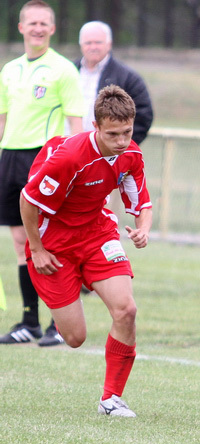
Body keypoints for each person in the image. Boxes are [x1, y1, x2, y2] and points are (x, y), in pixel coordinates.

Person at [20, 84, 152, 417]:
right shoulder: (70, 158)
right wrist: (36, 249)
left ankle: (111, 399)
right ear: (96, 127)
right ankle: (76, 280)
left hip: (98, 233)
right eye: (112, 134)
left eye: (126, 132)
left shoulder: (130, 154)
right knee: (75, 337)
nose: (121, 141)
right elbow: (28, 200)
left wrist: (143, 229)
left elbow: (142, 202)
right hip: (54, 245)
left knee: (126, 310)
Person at [0, 0, 84, 347]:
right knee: (21, 243)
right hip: (11, 158)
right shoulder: (9, 69)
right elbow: (3, 118)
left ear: (52, 29)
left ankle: (58, 324)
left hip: (45, 160)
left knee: (52, 242)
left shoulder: (63, 70)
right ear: (21, 27)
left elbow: (76, 123)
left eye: (43, 23)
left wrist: (77, 165)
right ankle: (29, 321)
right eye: (31, 22)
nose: (37, 28)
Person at [74, 21, 153, 145]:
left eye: (98, 42)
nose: (93, 47)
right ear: (81, 45)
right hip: (69, 151)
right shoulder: (67, 71)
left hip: (107, 154)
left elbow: (143, 118)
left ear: (109, 44)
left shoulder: (128, 78)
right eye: (88, 43)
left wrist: (119, 146)